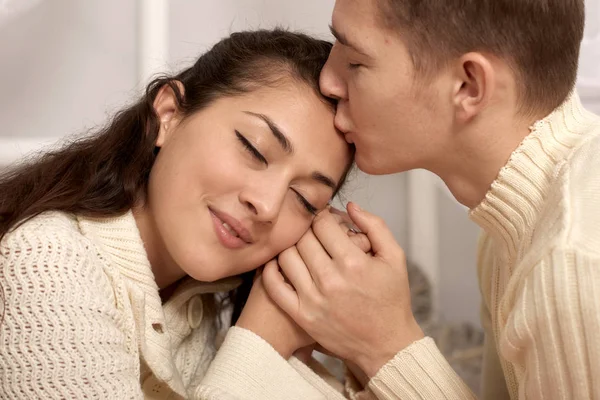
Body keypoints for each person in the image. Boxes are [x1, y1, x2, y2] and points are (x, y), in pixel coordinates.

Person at [260, 0, 600, 399]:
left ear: (468, 86)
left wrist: (385, 348)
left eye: (355, 63)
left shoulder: (570, 262)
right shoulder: (508, 233)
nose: (328, 82)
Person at [0, 29, 365, 399]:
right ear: (169, 113)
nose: (267, 206)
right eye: (254, 149)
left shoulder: (200, 304)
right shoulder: (46, 256)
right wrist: (263, 341)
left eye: (304, 199)